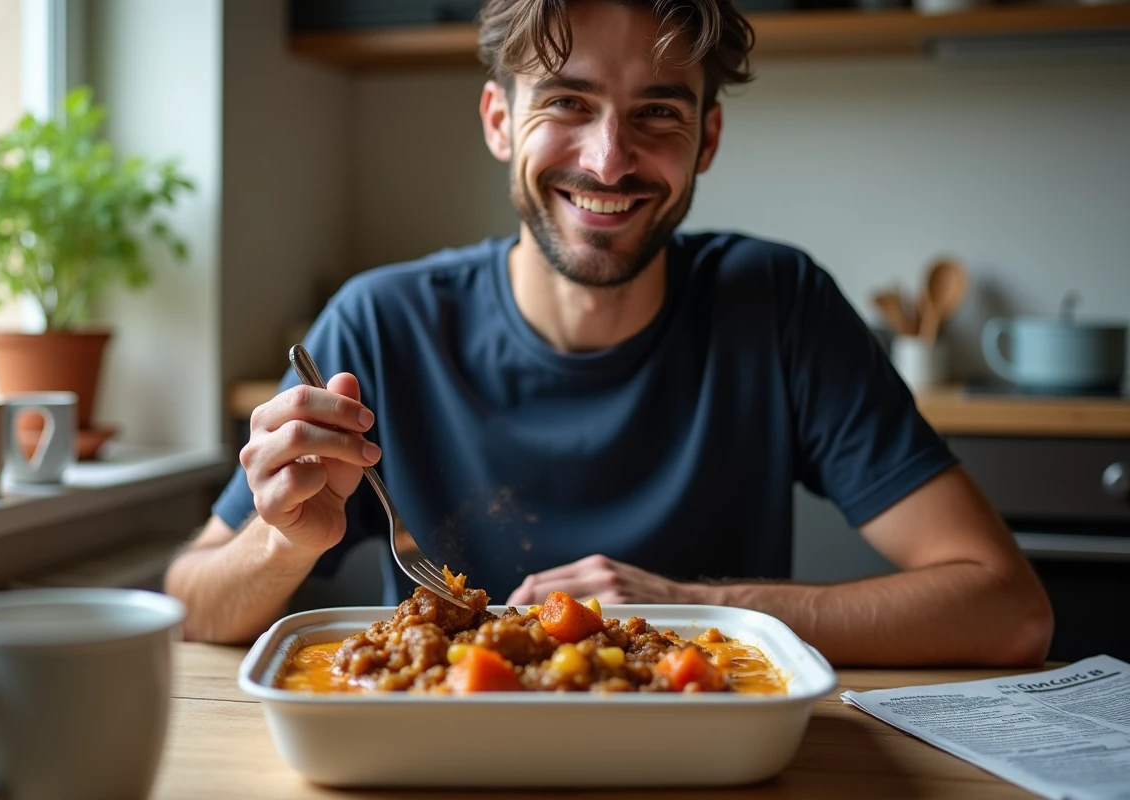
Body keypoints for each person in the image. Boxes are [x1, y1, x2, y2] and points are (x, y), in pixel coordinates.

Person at [165, 0, 1053, 666]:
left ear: (706, 138)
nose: (608, 159)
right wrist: (282, 543)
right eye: (567, 103)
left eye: (658, 113)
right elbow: (192, 601)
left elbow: (1009, 609)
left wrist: (683, 608)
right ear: (499, 120)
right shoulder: (381, 323)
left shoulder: (777, 304)